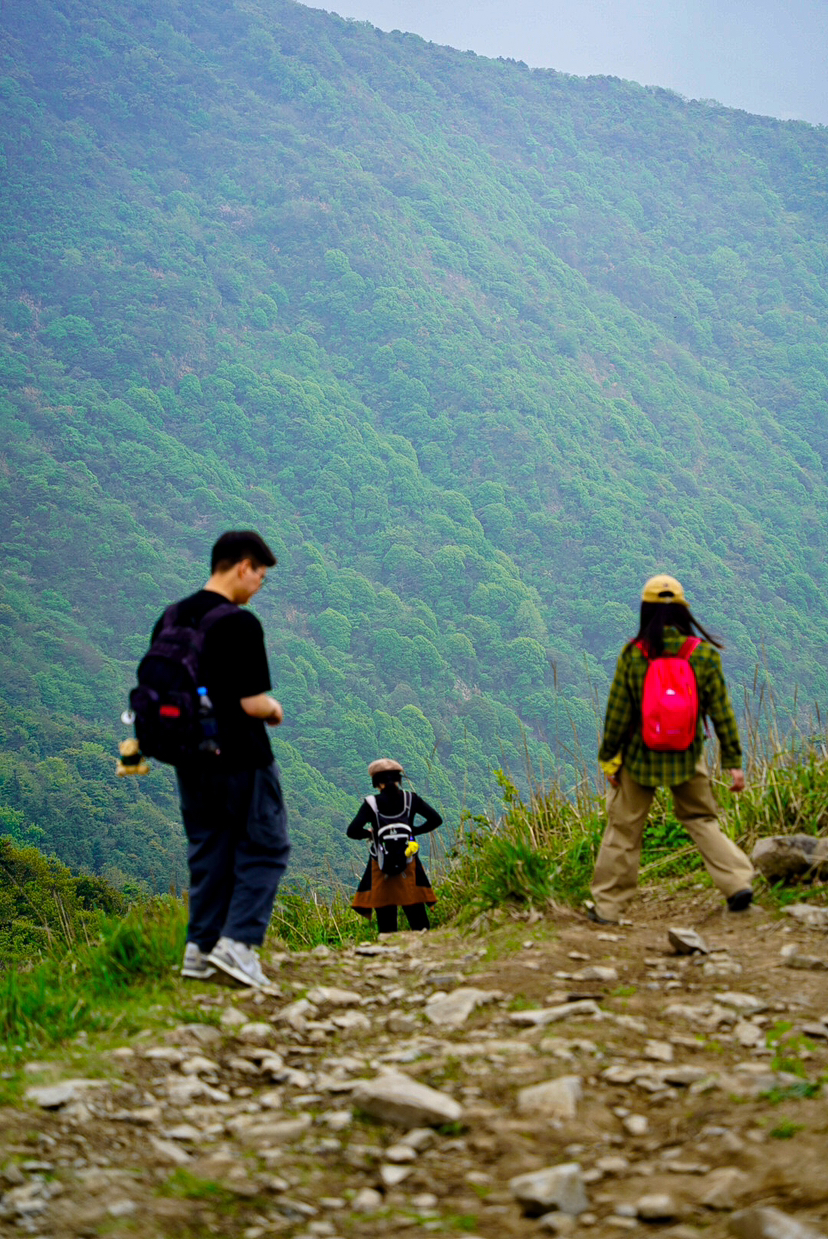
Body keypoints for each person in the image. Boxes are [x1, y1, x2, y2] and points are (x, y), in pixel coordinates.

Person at [151, 530, 290, 987]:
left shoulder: (171, 617)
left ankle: (200, 949)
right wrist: (273, 709)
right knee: (265, 845)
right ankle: (238, 946)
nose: (259, 586)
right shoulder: (239, 623)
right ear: (244, 566)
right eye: (261, 576)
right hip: (241, 757)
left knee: (209, 849)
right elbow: (251, 702)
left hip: (189, 758)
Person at [588, 573, 754, 925]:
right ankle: (737, 883)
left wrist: (609, 759)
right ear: (683, 611)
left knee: (624, 829)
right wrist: (733, 762)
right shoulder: (703, 655)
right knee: (701, 820)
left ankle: (608, 909)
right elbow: (721, 711)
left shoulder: (634, 655)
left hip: (639, 757)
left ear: (645, 610)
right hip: (688, 755)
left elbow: (618, 713)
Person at [348, 759, 442, 933]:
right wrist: (413, 831)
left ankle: (389, 947)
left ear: (377, 782)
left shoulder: (371, 804)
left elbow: (352, 831)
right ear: (399, 779)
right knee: (418, 918)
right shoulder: (411, 799)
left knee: (386, 923)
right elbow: (436, 819)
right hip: (408, 864)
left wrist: (370, 833)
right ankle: (423, 944)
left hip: (381, 865)